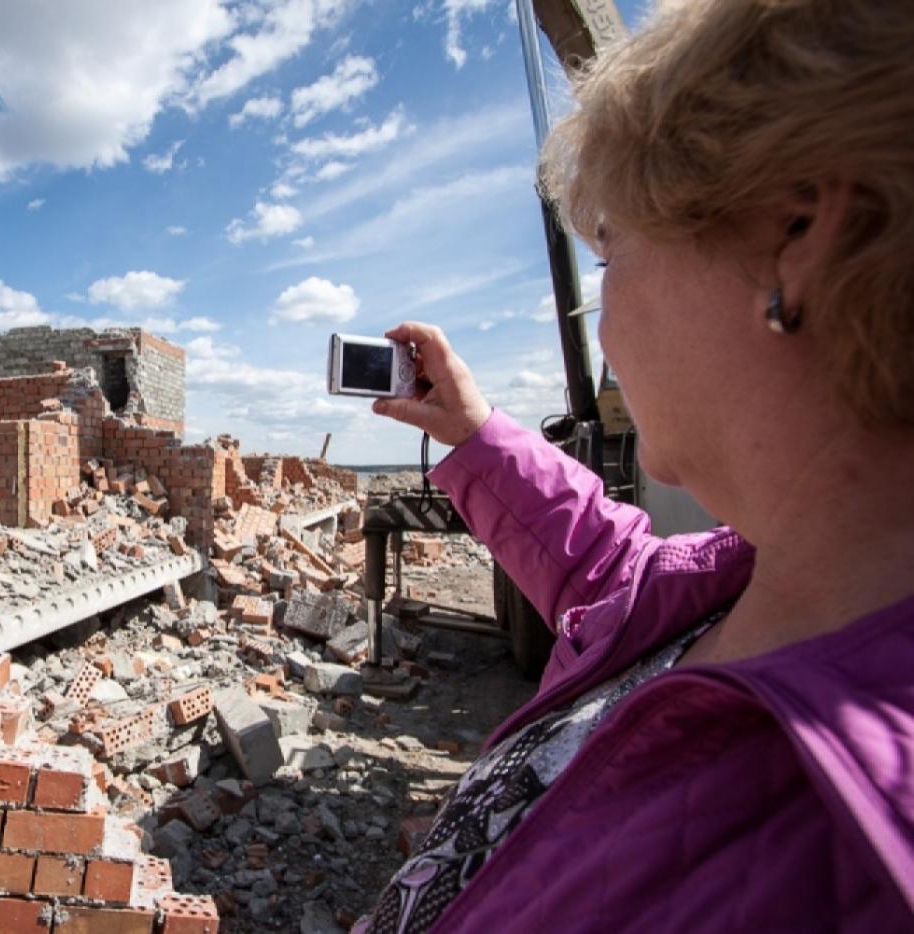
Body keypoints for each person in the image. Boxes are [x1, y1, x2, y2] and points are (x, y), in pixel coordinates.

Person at [359, 0, 914, 930]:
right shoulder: (767, 581)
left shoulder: (849, 857)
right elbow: (624, 589)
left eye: (611, 249)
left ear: (799, 236)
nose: (604, 323)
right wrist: (477, 433)